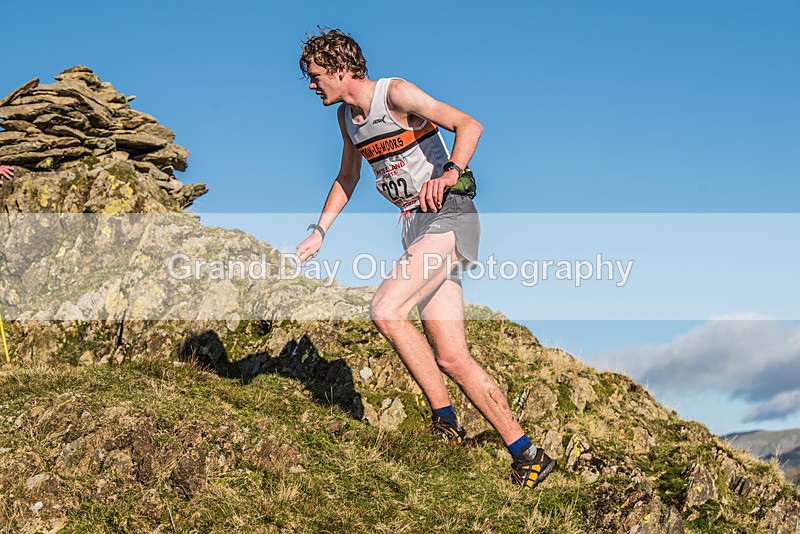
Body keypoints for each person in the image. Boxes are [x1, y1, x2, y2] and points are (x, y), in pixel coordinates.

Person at [295, 28, 554, 490]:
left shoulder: (395, 93)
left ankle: (445, 422)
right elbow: (347, 175)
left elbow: (469, 124)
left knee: (386, 310)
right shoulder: (347, 120)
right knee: (453, 358)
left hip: (450, 218)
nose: (312, 85)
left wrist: (452, 172)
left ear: (340, 69)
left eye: (315, 76)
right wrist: (319, 231)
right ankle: (528, 453)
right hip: (416, 228)